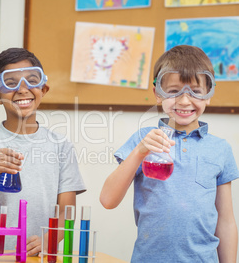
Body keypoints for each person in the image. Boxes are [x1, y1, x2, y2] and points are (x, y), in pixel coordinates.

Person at [100, 45, 239, 262]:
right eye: (174, 92)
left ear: (209, 95)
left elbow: (226, 220)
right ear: (157, 94)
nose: (184, 101)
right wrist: (139, 152)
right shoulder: (143, 140)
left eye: (195, 91)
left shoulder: (220, 149)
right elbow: (108, 200)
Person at [0, 47, 86, 256]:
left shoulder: (60, 145)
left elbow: (67, 212)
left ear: (44, 89)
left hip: (37, 255)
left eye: (32, 80)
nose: (23, 89)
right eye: (11, 83)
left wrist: (49, 240)